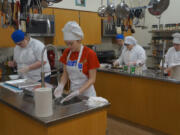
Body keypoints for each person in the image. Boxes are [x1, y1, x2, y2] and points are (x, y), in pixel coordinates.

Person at [54, 21, 100, 103]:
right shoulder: (67, 52)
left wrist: (79, 91)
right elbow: (65, 73)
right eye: (66, 43)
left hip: (87, 95)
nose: (68, 46)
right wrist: (61, 85)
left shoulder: (90, 54)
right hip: (73, 94)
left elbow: (92, 79)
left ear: (79, 40)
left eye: (71, 43)